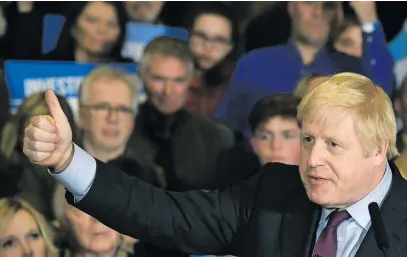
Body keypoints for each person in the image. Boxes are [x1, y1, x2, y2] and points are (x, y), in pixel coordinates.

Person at [24, 72, 406, 257]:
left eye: (333, 145)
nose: (313, 159)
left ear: (378, 149)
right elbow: (165, 215)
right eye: (308, 139)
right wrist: (67, 160)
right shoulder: (274, 190)